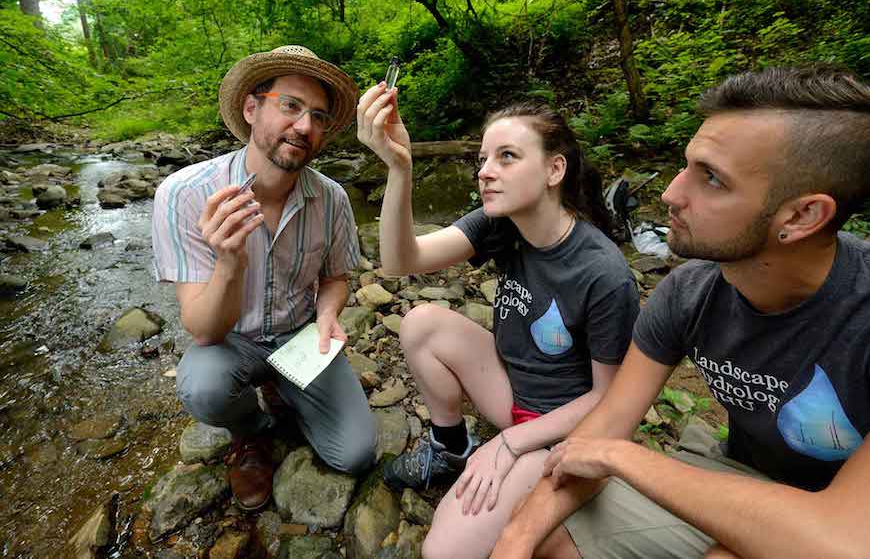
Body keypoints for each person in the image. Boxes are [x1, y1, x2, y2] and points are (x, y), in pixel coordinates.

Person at [491, 64, 870, 559]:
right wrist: (515, 539)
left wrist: (622, 458)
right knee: (545, 536)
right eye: (687, 164)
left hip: (845, 520)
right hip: (739, 476)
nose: (670, 193)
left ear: (802, 215)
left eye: (711, 178)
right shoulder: (690, 291)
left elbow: (842, 540)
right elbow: (605, 424)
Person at [357, 85, 640, 558]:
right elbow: (399, 260)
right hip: (511, 393)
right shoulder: (501, 223)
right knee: (422, 322)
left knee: (442, 552)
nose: (486, 172)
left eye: (507, 157)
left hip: (565, 428)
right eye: (485, 158)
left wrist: (510, 445)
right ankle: (450, 446)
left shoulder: (603, 272)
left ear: (555, 169)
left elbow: (608, 398)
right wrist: (398, 167)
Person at [152, 45, 378, 512]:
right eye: (290, 106)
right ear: (252, 108)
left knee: (354, 455)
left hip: (299, 335)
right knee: (202, 387)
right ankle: (250, 432)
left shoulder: (332, 199)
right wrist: (229, 259)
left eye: (317, 116)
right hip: (230, 341)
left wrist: (330, 314)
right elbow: (203, 329)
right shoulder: (184, 194)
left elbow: (336, 277)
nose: (304, 126)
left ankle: (283, 386)